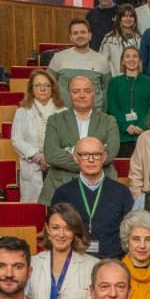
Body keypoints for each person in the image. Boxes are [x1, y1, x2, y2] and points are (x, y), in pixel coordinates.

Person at [39, 74, 123, 205]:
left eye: (87, 91)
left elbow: (110, 153)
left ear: (94, 94)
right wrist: (92, 160)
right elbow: (51, 154)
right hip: (61, 183)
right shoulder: (55, 120)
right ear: (69, 95)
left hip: (101, 185)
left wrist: (71, 151)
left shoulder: (109, 121)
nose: (82, 95)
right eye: (76, 91)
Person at [47, 137, 134, 260]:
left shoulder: (122, 192)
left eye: (96, 155)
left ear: (104, 157)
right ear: (76, 158)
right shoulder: (62, 193)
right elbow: (54, 233)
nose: (91, 160)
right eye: (85, 155)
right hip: (74, 261)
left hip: (112, 261)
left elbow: (130, 233)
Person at [26, 203, 97, 299]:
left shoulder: (93, 266)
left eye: (68, 228)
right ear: (47, 229)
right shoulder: (32, 263)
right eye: (55, 228)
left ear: (74, 232)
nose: (61, 234)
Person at [12, 69, 64, 205]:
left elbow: (67, 140)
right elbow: (16, 140)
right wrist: (37, 155)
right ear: (31, 89)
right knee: (34, 210)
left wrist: (51, 156)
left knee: (58, 209)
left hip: (56, 166)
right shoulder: (22, 111)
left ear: (53, 88)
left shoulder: (63, 112)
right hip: (32, 166)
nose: (43, 89)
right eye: (38, 85)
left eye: (47, 85)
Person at [106, 44, 150, 158]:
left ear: (139, 60)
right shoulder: (114, 82)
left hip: (144, 135)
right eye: (127, 56)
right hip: (121, 137)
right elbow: (112, 108)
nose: (131, 59)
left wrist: (142, 126)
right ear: (122, 61)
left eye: (135, 56)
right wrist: (126, 126)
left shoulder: (149, 83)